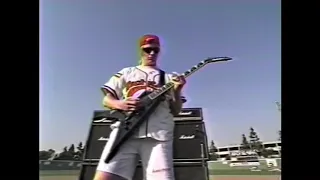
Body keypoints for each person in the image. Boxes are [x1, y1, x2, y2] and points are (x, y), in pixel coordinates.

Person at [94, 34, 186, 180]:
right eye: (147, 50)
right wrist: (119, 104)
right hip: (125, 133)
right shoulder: (127, 72)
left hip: (158, 137)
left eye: (155, 50)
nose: (152, 54)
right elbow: (107, 99)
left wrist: (177, 89)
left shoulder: (168, 78)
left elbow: (175, 111)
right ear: (141, 51)